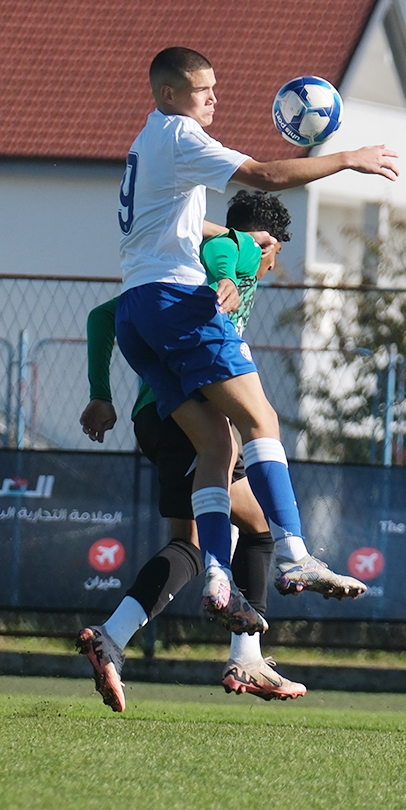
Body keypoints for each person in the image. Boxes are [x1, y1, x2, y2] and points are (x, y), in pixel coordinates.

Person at [109, 45, 396, 654]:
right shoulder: (182, 136)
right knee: (261, 419)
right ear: (168, 94)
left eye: (215, 88)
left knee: (217, 442)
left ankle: (216, 574)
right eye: (202, 89)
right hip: (172, 304)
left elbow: (167, 227)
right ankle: (295, 553)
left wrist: (232, 234)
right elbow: (266, 175)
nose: (214, 99)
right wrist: (348, 159)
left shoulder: (151, 140)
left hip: (136, 312)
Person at [79, 191, 355, 709]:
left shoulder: (188, 263)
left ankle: (111, 639)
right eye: (276, 252)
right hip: (180, 415)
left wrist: (101, 393)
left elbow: (102, 318)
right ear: (266, 243)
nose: (273, 264)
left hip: (159, 417)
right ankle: (247, 656)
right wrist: (225, 276)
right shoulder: (228, 258)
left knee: (190, 544)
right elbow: (223, 263)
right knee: (253, 529)